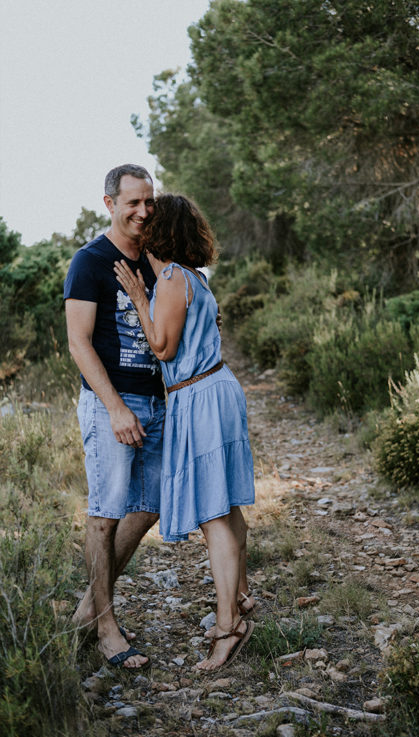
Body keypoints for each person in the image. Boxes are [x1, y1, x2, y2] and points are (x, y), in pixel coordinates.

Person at [113, 193, 256, 672]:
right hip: (215, 389)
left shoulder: (173, 279)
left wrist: (139, 298)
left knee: (214, 512)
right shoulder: (196, 276)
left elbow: (163, 349)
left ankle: (228, 626)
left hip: (199, 395)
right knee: (228, 505)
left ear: (163, 231)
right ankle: (239, 597)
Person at [64, 164, 162, 670]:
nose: (143, 211)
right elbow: (79, 342)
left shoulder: (154, 260)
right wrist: (117, 406)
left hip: (157, 402)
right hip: (112, 405)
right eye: (133, 202)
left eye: (149, 201)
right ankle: (105, 625)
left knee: (148, 507)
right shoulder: (90, 262)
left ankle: (85, 607)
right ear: (110, 204)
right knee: (105, 515)